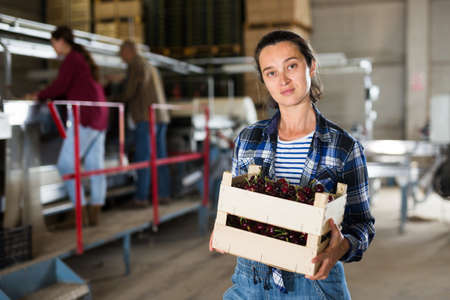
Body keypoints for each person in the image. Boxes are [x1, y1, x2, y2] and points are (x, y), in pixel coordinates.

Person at [210, 30, 375, 299]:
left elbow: (363, 225)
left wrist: (341, 247)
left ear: (311, 65)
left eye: (291, 66)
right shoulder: (248, 139)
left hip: (313, 281)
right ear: (264, 80)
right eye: (271, 72)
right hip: (252, 280)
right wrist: (227, 226)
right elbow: (239, 207)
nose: (283, 80)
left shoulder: (343, 148)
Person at [27, 26, 109, 226]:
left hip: (87, 116)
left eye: (53, 43)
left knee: (65, 164)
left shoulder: (71, 59)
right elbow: (68, 88)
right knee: (94, 166)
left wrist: (37, 95)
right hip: (100, 114)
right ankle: (95, 211)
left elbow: (60, 86)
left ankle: (78, 211)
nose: (53, 47)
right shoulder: (80, 59)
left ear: (60, 42)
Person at [118, 40, 171, 207]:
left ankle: (140, 197)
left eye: (121, 53)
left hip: (146, 117)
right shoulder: (150, 65)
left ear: (128, 51)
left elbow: (129, 92)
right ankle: (163, 195)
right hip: (160, 116)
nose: (121, 57)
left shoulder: (135, 65)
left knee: (143, 158)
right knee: (160, 158)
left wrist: (111, 98)